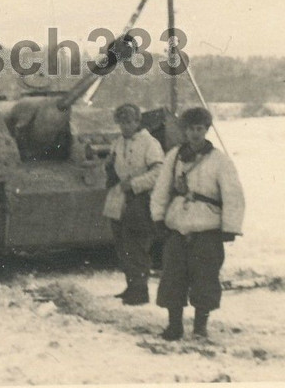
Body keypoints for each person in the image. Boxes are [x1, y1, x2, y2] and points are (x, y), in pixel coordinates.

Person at [150, 107, 245, 340]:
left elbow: (233, 195)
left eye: (199, 129)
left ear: (207, 130)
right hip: (178, 225)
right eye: (190, 129)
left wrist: (230, 227)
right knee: (173, 277)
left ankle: (200, 326)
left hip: (207, 228)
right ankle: (174, 326)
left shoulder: (220, 161)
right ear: (184, 130)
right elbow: (161, 189)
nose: (195, 134)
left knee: (205, 279)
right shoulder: (173, 157)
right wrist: (158, 218)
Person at [104, 103, 166, 305]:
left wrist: (135, 184)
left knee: (137, 244)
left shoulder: (149, 144)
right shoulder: (118, 143)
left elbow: (159, 173)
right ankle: (131, 286)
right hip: (121, 198)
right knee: (122, 243)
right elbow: (112, 165)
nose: (125, 127)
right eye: (122, 123)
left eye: (129, 122)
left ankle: (140, 291)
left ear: (138, 122)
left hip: (141, 198)